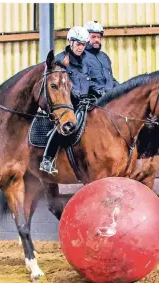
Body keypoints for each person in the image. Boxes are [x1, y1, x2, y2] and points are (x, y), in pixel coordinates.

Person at [39, 26, 98, 175]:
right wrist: (76, 94)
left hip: (86, 102)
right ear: (70, 42)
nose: (81, 47)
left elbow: (89, 81)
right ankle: (47, 159)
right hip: (67, 103)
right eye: (78, 44)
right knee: (65, 124)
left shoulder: (86, 61)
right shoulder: (60, 60)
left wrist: (96, 91)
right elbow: (61, 84)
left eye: (83, 44)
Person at [84, 21, 119, 95]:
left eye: (98, 37)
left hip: (109, 98)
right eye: (93, 37)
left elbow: (110, 79)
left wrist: (122, 88)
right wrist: (99, 91)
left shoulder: (104, 57)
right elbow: (82, 81)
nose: (97, 40)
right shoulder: (81, 57)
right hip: (92, 100)